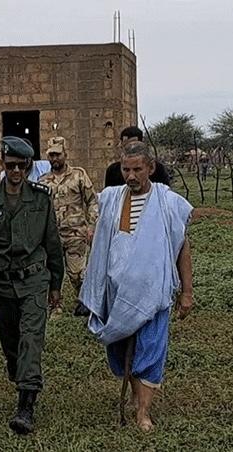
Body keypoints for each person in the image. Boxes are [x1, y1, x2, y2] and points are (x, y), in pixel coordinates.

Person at [80, 141, 193, 432]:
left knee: (151, 349)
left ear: (150, 168)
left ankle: (144, 412)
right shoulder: (111, 199)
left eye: (137, 169)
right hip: (117, 293)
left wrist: (187, 292)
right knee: (120, 352)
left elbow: (182, 247)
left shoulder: (169, 203)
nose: (130, 176)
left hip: (153, 294)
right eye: (125, 169)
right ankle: (135, 393)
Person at [0, 136, 64, 435]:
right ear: (2, 164)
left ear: (29, 166)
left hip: (34, 281)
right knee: (10, 343)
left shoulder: (41, 198)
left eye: (22, 166)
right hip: (1, 283)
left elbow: (52, 242)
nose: (16, 171)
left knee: (30, 340)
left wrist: (56, 283)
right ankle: (18, 372)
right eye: (11, 165)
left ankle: (26, 406)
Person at [40, 136, 98, 316]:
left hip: (76, 234)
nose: (55, 158)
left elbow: (92, 201)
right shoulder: (43, 181)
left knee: (77, 273)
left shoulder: (78, 175)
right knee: (53, 274)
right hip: (52, 237)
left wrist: (91, 226)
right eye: (51, 155)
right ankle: (55, 306)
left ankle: (85, 302)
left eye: (58, 154)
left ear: (65, 154)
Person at [104, 126, 170, 187]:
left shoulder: (158, 169)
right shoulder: (113, 171)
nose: (131, 177)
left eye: (137, 169)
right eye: (126, 170)